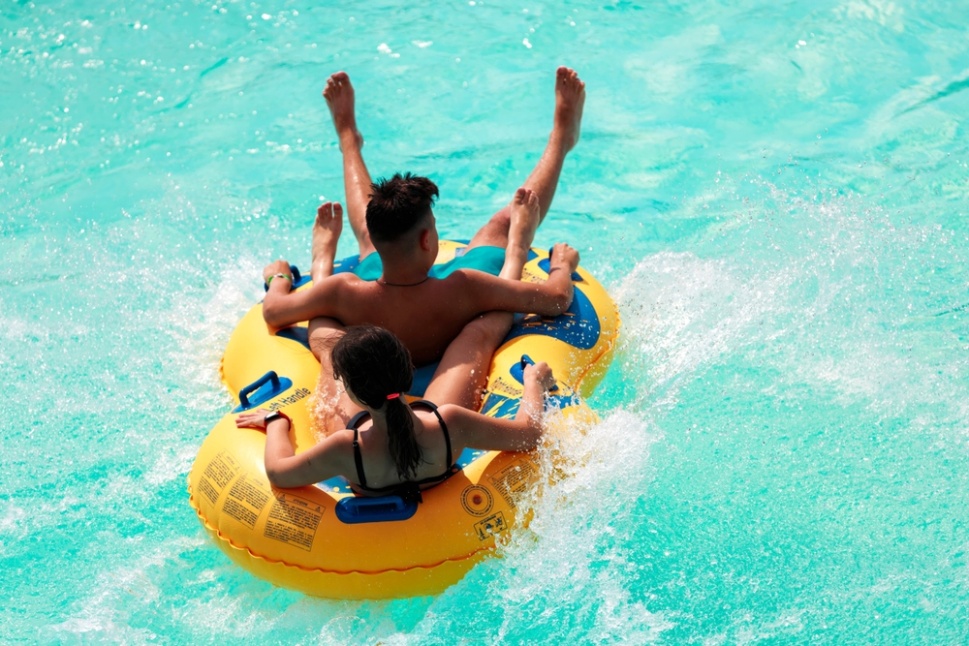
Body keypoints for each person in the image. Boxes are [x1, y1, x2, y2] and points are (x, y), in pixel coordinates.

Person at [261, 66, 586, 367]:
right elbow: (556, 299)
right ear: (428, 239)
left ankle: (348, 139)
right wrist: (561, 265)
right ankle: (561, 139)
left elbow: (274, 312)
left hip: (379, 291)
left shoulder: (346, 292)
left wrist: (280, 278)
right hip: (443, 299)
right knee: (505, 223)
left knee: (366, 226)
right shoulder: (465, 288)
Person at [237, 190, 559, 493]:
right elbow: (530, 434)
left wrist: (276, 422)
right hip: (434, 433)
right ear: (409, 375)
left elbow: (279, 473)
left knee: (331, 345)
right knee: (480, 332)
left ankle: (321, 266)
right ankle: (516, 249)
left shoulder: (345, 449)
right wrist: (534, 382)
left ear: (352, 391)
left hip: (363, 456)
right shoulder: (450, 424)